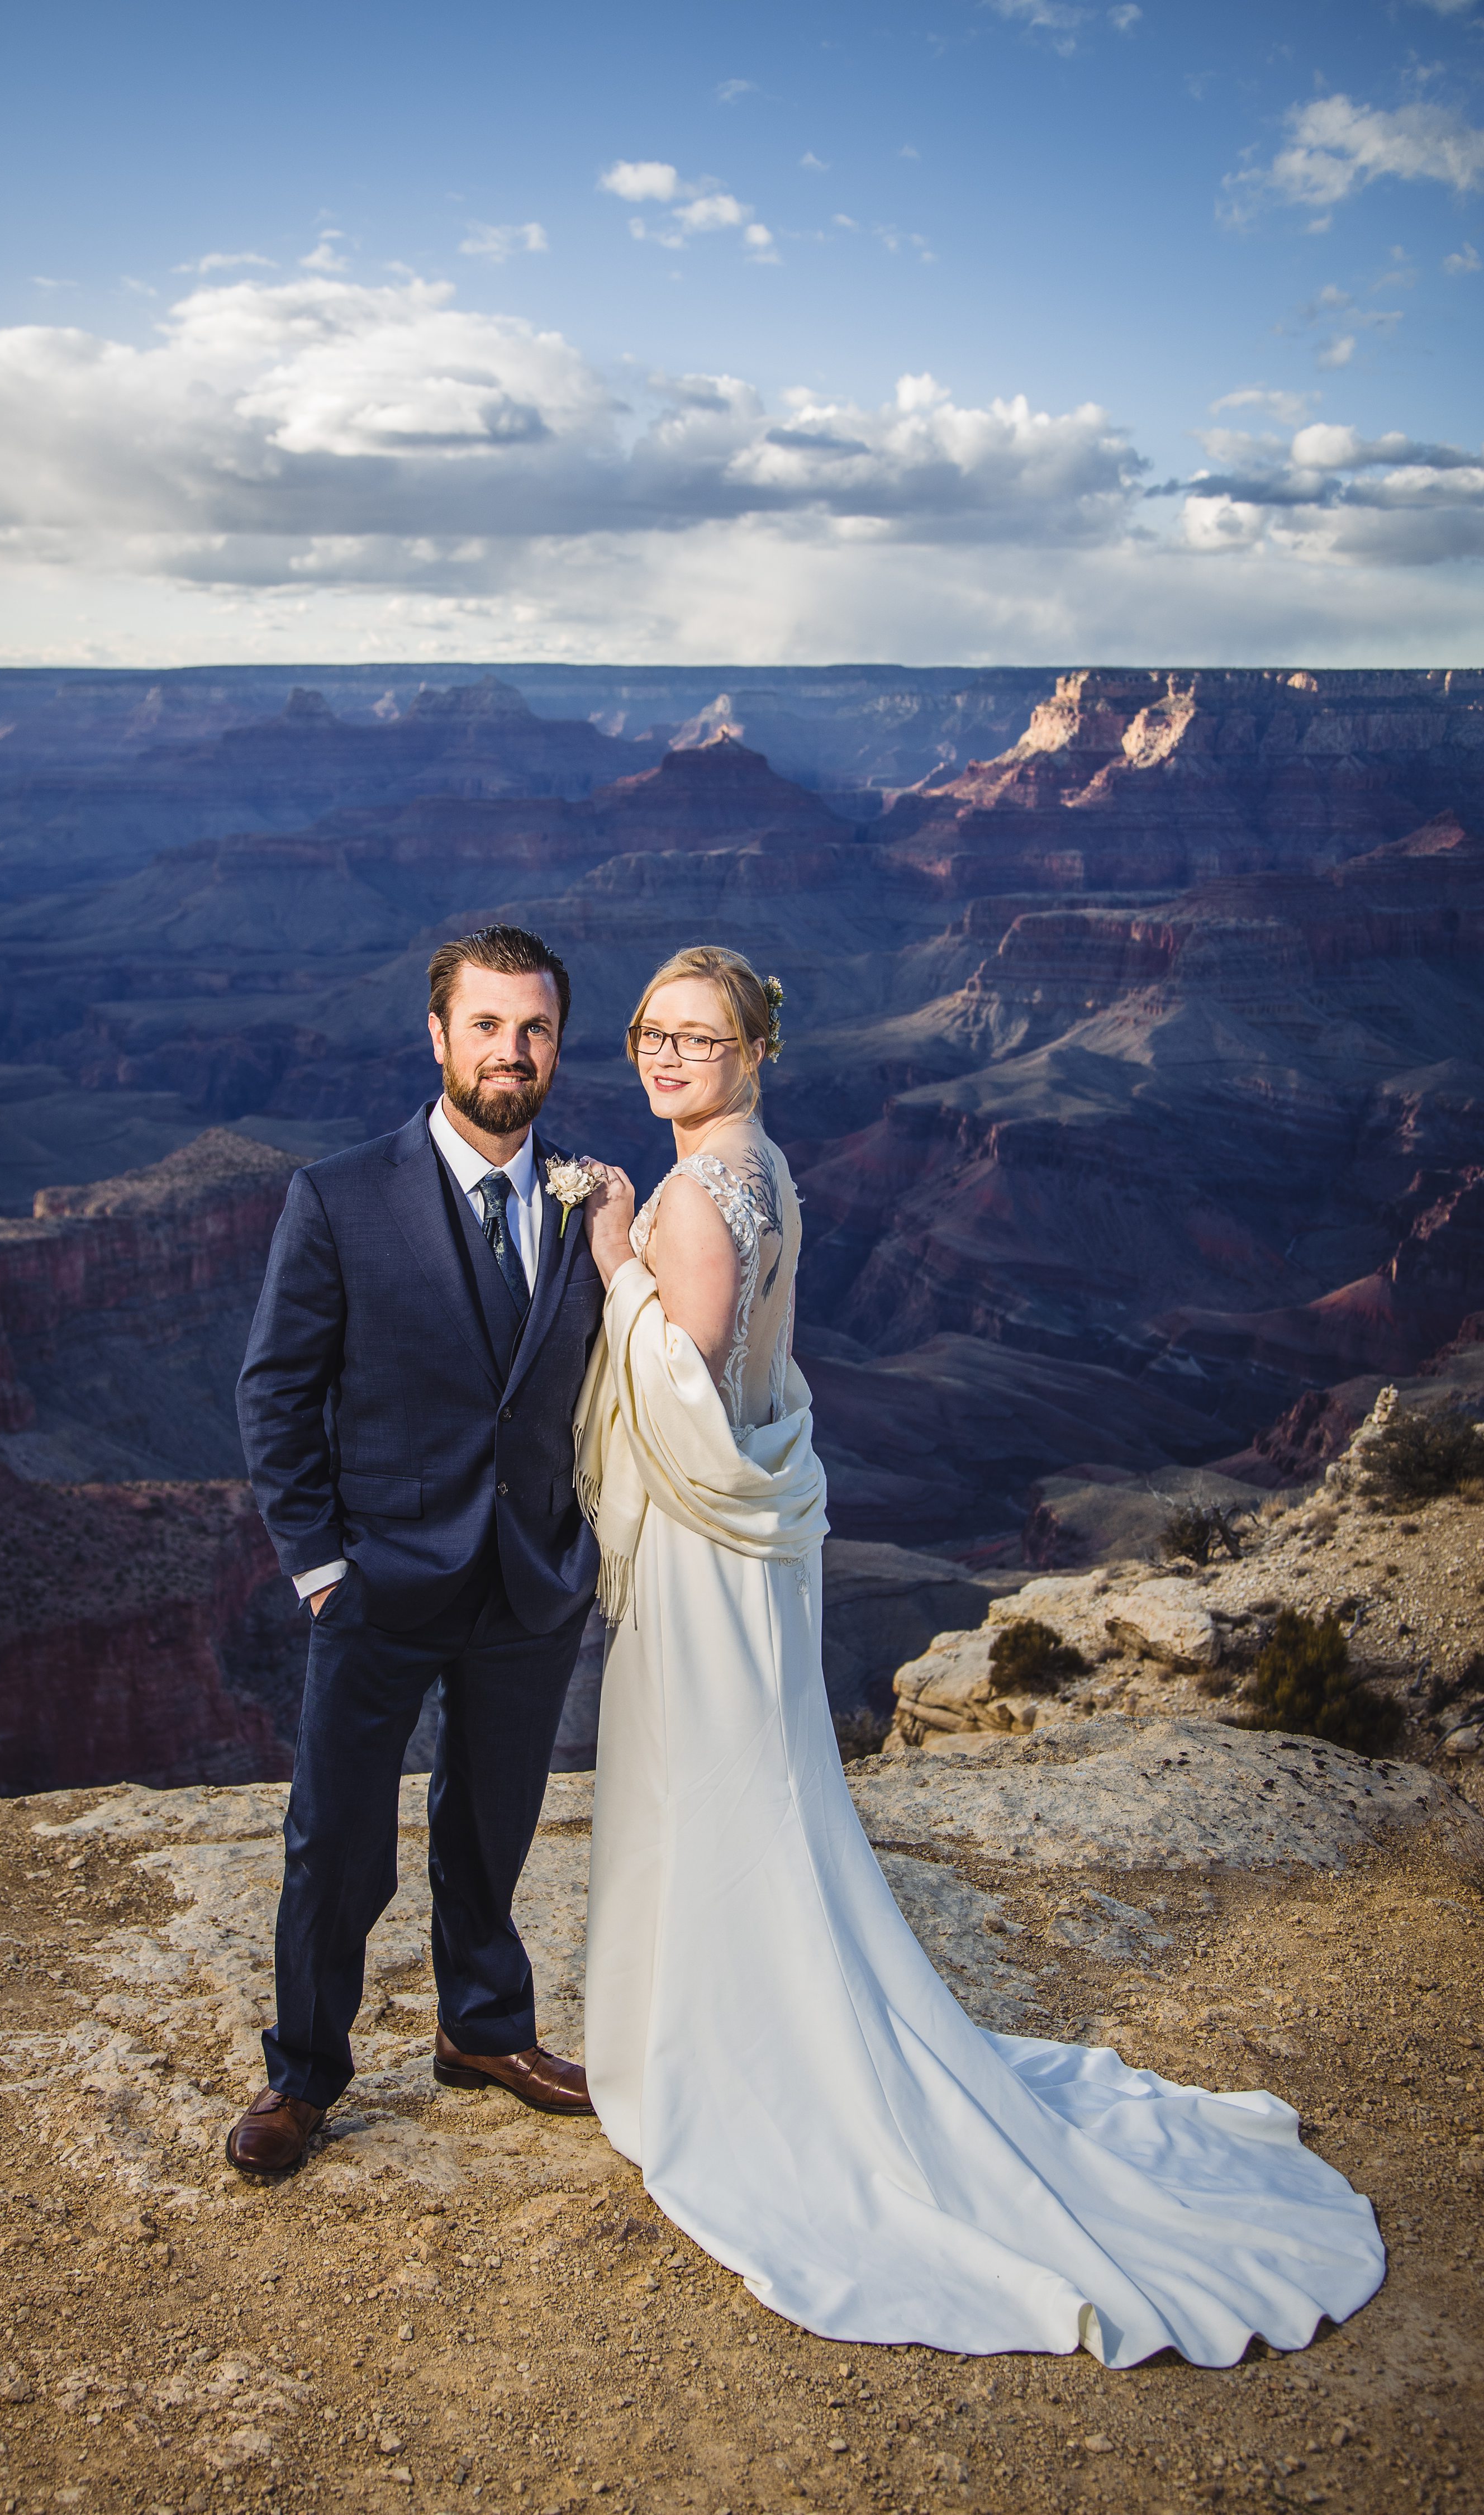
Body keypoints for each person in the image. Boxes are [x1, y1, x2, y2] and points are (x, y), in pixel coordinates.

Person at [571, 941, 1386, 2366]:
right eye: (652, 1030)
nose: (666, 1056)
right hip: (766, 1543)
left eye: (697, 1038)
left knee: (710, 1790)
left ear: (754, 1050)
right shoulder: (763, 1168)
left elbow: (688, 1400)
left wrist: (611, 1269)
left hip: (714, 1556)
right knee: (759, 1792)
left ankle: (728, 2058)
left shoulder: (697, 1203)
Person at [227, 924, 605, 2177]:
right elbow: (276, 1390)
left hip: (531, 1579)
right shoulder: (337, 1195)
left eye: (535, 1028)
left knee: (492, 1824)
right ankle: (304, 2077)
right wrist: (322, 1566)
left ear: (559, 1044)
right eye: (488, 1026)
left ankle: (482, 2030)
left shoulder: (590, 1203)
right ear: (438, 1036)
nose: (513, 1051)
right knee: (335, 1838)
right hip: (381, 1581)